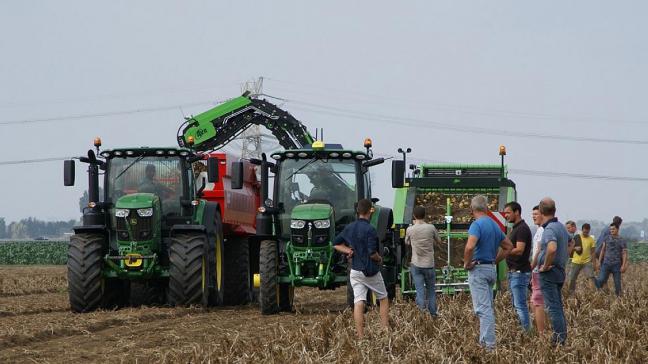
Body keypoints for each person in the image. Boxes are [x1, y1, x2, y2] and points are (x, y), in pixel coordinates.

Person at [333, 199, 389, 338]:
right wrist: (380, 258)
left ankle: (360, 336)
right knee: (383, 298)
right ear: (370, 210)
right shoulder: (370, 229)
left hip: (355, 271)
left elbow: (335, 244)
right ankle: (384, 330)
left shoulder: (349, 227)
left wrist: (348, 251)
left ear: (357, 211)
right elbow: (372, 253)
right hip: (370, 271)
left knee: (359, 302)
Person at [463, 195, 513, 350]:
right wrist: (495, 261)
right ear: (487, 208)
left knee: (483, 310)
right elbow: (508, 246)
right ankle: (485, 342)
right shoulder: (494, 225)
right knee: (487, 308)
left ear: (472, 209)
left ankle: (488, 347)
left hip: (478, 269)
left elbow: (470, 247)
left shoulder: (476, 225)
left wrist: (466, 263)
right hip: (490, 269)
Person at [537, 197, 570, 345]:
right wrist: (564, 257)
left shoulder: (549, 229)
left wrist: (545, 265)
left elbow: (551, 248)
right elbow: (572, 241)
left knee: (553, 308)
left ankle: (559, 340)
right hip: (559, 272)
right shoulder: (561, 226)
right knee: (558, 306)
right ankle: (560, 337)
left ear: (541, 211)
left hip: (549, 273)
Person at [405, 205, 442, 316]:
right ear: (425, 215)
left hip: (416, 265)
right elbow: (439, 241)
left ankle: (422, 316)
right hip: (429, 265)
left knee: (420, 291)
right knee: (431, 291)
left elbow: (407, 242)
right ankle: (433, 314)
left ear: (414, 216)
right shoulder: (431, 228)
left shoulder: (410, 229)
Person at [503, 201, 532, 332]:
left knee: (520, 306)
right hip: (514, 273)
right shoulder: (515, 228)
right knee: (517, 305)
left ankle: (527, 333)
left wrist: (504, 251)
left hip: (519, 273)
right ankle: (521, 332)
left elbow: (520, 250)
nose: (505, 215)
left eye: (508, 212)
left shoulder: (522, 229)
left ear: (517, 212)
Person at [595, 223, 629, 297]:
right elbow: (603, 250)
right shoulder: (606, 238)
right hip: (606, 264)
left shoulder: (622, 240)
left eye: (613, 229)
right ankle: (598, 295)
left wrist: (623, 265)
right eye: (610, 229)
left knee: (617, 285)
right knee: (600, 280)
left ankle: (619, 300)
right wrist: (599, 262)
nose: (611, 230)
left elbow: (624, 253)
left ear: (617, 229)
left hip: (616, 265)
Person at [529, 205, 546, 334]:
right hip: (537, 271)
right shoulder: (539, 230)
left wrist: (532, 266)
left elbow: (539, 251)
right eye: (532, 214)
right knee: (534, 301)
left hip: (538, 271)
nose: (533, 216)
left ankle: (542, 333)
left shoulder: (542, 230)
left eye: (536, 214)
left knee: (538, 302)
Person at [566, 223, 596, 297]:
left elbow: (593, 252)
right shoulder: (576, 237)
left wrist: (594, 263)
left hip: (587, 261)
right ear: (582, 230)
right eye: (584, 232)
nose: (586, 233)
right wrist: (575, 248)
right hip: (576, 261)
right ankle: (571, 295)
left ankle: (592, 295)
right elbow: (569, 247)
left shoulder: (591, 239)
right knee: (572, 279)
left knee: (591, 278)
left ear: (589, 231)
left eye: (587, 232)